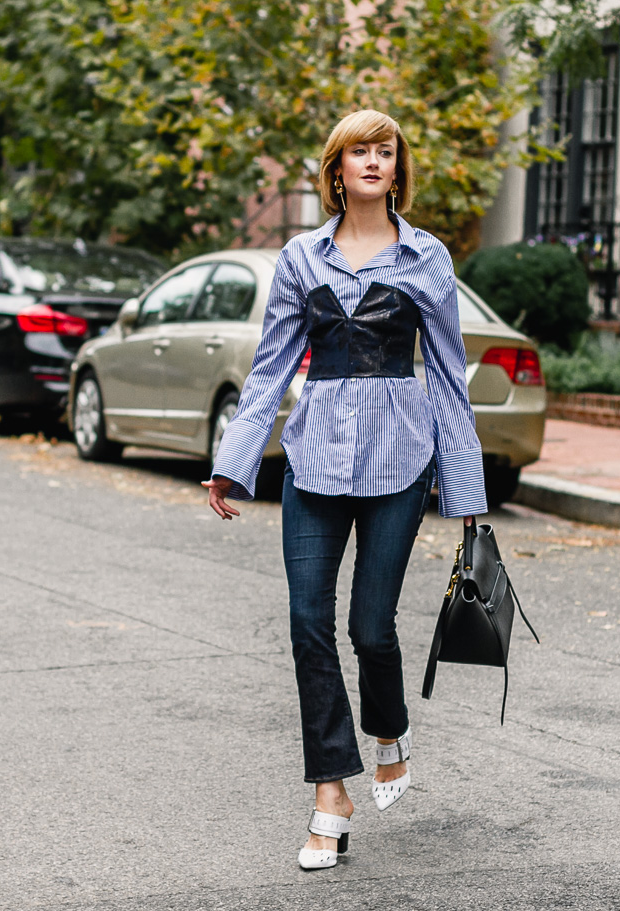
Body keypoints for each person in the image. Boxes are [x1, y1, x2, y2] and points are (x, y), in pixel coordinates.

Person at [204, 109, 486, 870]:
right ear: (337, 168)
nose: (372, 161)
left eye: (384, 150)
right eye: (358, 150)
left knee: (370, 628)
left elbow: (451, 377)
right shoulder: (301, 258)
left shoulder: (427, 258)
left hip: (401, 461)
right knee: (306, 622)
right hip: (315, 460)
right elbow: (269, 369)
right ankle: (331, 791)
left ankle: (387, 726)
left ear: (398, 167)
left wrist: (466, 491)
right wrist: (234, 460)